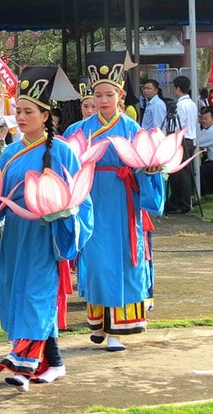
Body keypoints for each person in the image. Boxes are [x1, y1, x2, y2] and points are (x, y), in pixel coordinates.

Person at [0, 66, 93, 393]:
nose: (20, 117)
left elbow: (81, 197)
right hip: (16, 238)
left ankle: (22, 365)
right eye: (18, 111)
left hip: (45, 237)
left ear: (46, 115)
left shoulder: (62, 151)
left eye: (28, 111)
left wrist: (65, 215)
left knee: (37, 296)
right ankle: (55, 362)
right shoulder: (9, 152)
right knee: (19, 295)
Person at [78, 51, 166, 352]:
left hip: (124, 203)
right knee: (96, 263)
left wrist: (150, 172)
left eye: (109, 94)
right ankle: (100, 323)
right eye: (97, 94)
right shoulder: (78, 132)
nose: (103, 100)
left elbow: (148, 164)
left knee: (124, 263)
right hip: (91, 203)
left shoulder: (134, 130)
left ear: (121, 95)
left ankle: (118, 331)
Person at [165, 75, 197, 215]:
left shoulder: (181, 105)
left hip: (181, 139)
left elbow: (179, 124)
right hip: (189, 139)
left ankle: (182, 203)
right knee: (181, 173)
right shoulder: (192, 104)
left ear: (177, 89)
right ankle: (176, 201)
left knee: (180, 174)